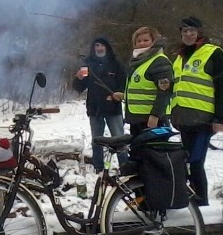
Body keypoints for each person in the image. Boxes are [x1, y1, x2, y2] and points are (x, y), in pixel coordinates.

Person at [170, 16, 223, 206]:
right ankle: (189, 201)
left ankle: (202, 203)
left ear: (199, 32)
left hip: (203, 121)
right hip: (183, 120)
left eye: (192, 31)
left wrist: (221, 117)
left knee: (196, 163)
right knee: (186, 162)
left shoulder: (213, 53)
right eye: (184, 31)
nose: (188, 34)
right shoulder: (180, 56)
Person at [72, 36, 128, 172]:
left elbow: (124, 85)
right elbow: (79, 88)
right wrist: (78, 78)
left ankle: (125, 167)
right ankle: (98, 168)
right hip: (95, 108)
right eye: (97, 45)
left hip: (113, 109)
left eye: (102, 45)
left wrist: (118, 94)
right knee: (97, 140)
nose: (99, 48)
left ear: (107, 47)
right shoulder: (87, 65)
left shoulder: (116, 64)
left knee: (119, 139)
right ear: (93, 48)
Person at [118, 26, 173, 136]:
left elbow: (165, 91)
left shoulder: (159, 61)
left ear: (154, 41)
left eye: (146, 40)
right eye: (139, 41)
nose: (142, 43)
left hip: (152, 120)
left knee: (152, 152)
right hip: (137, 118)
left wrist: (155, 115)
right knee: (137, 152)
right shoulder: (138, 62)